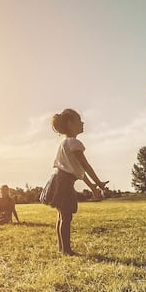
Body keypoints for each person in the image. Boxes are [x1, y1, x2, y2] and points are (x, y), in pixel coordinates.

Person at [40, 109, 108, 255]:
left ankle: (62, 248)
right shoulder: (74, 142)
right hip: (63, 182)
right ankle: (66, 250)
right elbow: (85, 166)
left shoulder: (64, 143)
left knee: (62, 216)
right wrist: (99, 182)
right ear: (70, 123)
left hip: (58, 179)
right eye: (79, 121)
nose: (82, 123)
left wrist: (93, 187)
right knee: (66, 217)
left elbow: (79, 172)